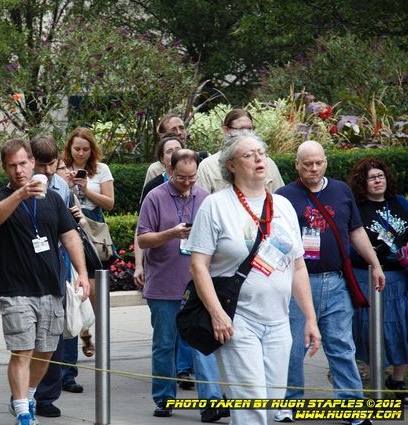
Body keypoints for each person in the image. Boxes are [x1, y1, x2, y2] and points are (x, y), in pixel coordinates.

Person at [188, 133, 321, 425]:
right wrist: (217, 314)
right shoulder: (215, 205)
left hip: (278, 321)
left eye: (261, 152)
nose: (259, 159)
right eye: (249, 155)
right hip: (238, 320)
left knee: (271, 403)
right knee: (250, 406)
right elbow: (198, 266)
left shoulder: (283, 206)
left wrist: (310, 318)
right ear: (231, 165)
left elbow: (297, 266)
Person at [276, 141, 385, 425]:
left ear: (325, 162)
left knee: (341, 345)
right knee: (293, 346)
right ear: (297, 165)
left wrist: (375, 263)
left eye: (318, 163)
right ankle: (288, 403)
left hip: (336, 283)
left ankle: (352, 407)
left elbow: (356, 230)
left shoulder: (341, 190)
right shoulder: (283, 196)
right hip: (298, 285)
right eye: (307, 164)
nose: (313, 168)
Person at [0, 139, 90, 425]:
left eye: (23, 164)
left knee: (45, 351)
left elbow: (70, 237)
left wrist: (81, 273)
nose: (19, 170)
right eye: (12, 166)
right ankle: (23, 411)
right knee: (22, 351)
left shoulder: (54, 199)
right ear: (4, 168)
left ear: (32, 163)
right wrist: (20, 195)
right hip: (16, 290)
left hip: (51, 288)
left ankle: (28, 396)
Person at [137, 149, 226, 422]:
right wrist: (170, 234)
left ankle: (211, 401)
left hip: (198, 285)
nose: (187, 183)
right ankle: (164, 398)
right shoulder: (155, 197)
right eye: (181, 178)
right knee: (164, 344)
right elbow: (142, 240)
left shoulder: (206, 198)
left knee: (203, 343)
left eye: (192, 178)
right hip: (163, 285)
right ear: (169, 171)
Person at [29, 135, 83, 418]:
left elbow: (70, 232)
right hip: (27, 264)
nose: (49, 172)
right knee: (28, 335)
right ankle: (23, 395)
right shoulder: (19, 187)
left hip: (57, 260)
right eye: (43, 166)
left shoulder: (61, 186)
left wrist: (75, 218)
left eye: (53, 164)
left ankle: (47, 395)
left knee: (55, 330)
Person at [347, 157, 408, 404]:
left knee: (402, 328)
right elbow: (350, 244)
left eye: (380, 175)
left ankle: (397, 379)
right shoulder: (357, 209)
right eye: (372, 177)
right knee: (371, 330)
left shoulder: (401, 203)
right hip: (368, 278)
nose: (377, 180)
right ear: (363, 182)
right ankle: (376, 382)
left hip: (399, 278)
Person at [62, 127, 114, 358]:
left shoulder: (101, 170)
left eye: (85, 149)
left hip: (92, 228)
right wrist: (70, 186)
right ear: (69, 149)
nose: (81, 153)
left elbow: (109, 203)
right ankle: (82, 333)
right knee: (75, 287)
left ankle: (91, 332)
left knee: (93, 290)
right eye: (76, 149)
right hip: (69, 226)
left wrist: (85, 190)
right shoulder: (63, 170)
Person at [196, 109, 284, 193]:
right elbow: (200, 202)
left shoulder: (267, 163)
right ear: (226, 130)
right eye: (240, 129)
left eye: (250, 129)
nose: (246, 134)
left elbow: (279, 197)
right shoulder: (208, 166)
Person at [143, 114, 188, 185]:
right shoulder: (155, 169)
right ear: (162, 136)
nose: (179, 132)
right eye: (173, 130)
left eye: (182, 128)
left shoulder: (199, 161)